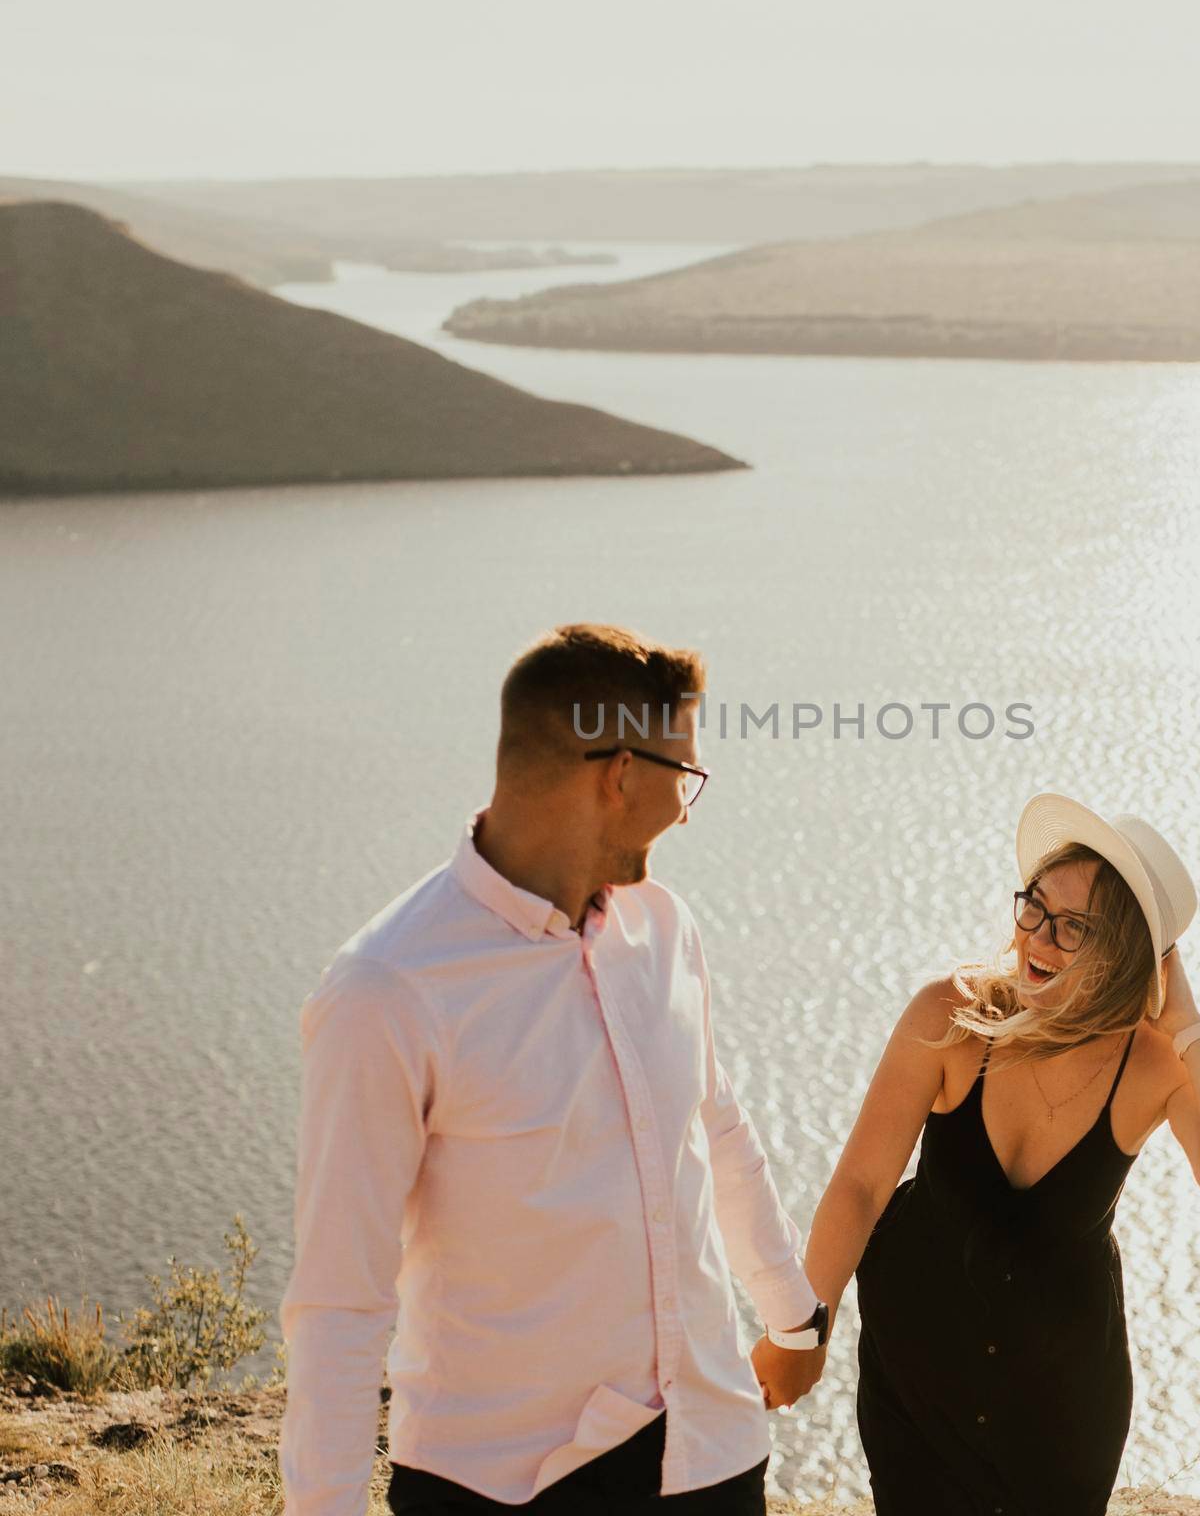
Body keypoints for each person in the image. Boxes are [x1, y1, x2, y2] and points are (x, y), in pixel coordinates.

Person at [278, 623, 829, 1516]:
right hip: (508, 1483)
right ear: (619, 774)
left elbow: (714, 1125)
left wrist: (791, 1313)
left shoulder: (665, 929)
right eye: (684, 777)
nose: (687, 809)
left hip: (708, 1453)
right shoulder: (387, 991)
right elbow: (340, 1302)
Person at [803, 792, 1200, 1516]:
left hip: (1060, 1406)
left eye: (1074, 928)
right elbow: (860, 1187)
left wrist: (1189, 1025)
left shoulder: (1153, 1063)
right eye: (1033, 907)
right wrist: (803, 1327)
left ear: (1128, 951)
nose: (1038, 936)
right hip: (918, 1380)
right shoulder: (953, 1016)